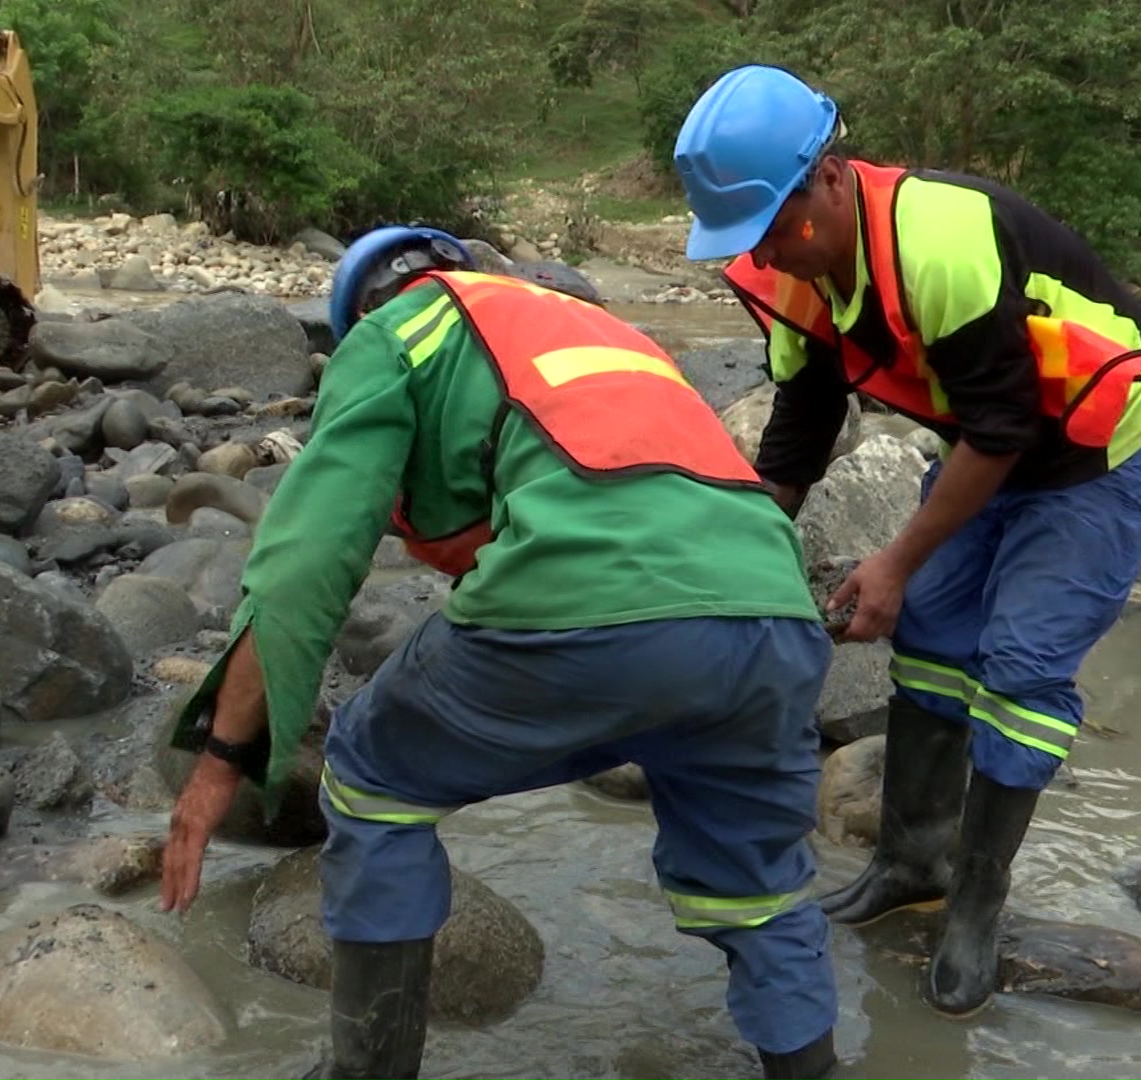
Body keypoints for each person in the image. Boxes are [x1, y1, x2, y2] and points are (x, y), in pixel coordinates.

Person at [154, 225, 843, 1080]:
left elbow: (302, 565)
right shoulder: (604, 332)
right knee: (759, 882)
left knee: (371, 776)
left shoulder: (400, 330)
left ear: (359, 308)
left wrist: (222, 760)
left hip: (590, 607)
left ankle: (368, 1070)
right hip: (772, 614)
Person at [671, 64, 1141, 1019]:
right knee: (934, 645)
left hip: (1093, 445)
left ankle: (977, 906)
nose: (774, 253)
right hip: (988, 442)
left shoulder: (939, 239)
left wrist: (895, 560)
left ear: (829, 176)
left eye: (779, 227)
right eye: (752, 240)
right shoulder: (798, 270)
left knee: (1022, 669)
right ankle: (912, 857)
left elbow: (1004, 425)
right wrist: (735, 550)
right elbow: (802, 422)